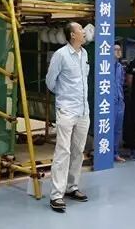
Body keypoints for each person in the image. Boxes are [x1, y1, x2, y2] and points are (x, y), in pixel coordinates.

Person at [46, 22, 90, 213]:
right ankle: (56, 195)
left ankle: (72, 187)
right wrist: (63, 97)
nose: (84, 32)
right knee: (63, 151)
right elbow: (50, 81)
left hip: (83, 111)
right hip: (66, 110)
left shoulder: (84, 54)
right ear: (72, 35)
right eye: (80, 29)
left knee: (78, 150)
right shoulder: (61, 55)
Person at [113, 41, 127, 163]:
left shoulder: (120, 67)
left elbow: (121, 83)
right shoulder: (105, 67)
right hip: (108, 103)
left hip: (119, 101)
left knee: (118, 129)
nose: (118, 51)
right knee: (107, 127)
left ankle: (115, 153)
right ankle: (106, 153)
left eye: (119, 49)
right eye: (115, 49)